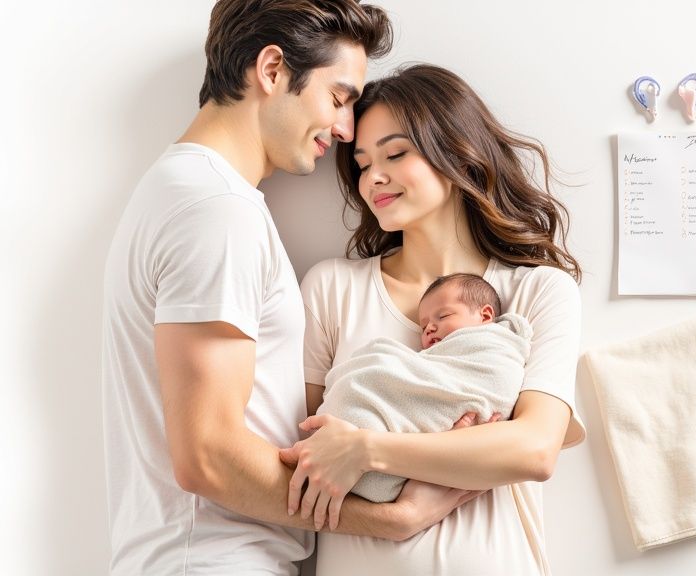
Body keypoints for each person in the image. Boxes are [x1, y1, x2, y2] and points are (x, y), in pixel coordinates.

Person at [101, 3, 476, 575]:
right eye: (339, 98)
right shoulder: (216, 211)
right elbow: (209, 457)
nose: (347, 129)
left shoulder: (191, 193)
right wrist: (393, 518)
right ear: (272, 70)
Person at [283, 63, 587, 575]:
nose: (372, 177)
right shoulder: (332, 289)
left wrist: (366, 449)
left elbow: (534, 450)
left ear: (457, 155)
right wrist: (411, 505)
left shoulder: (536, 290)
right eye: (360, 163)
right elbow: (304, 465)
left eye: (395, 154)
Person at [321, 273, 531, 503]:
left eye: (443, 316)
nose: (430, 327)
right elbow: (417, 378)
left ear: (486, 315)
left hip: (377, 457)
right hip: (353, 450)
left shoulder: (497, 350)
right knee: (375, 366)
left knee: (378, 365)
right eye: (423, 326)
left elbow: (496, 386)